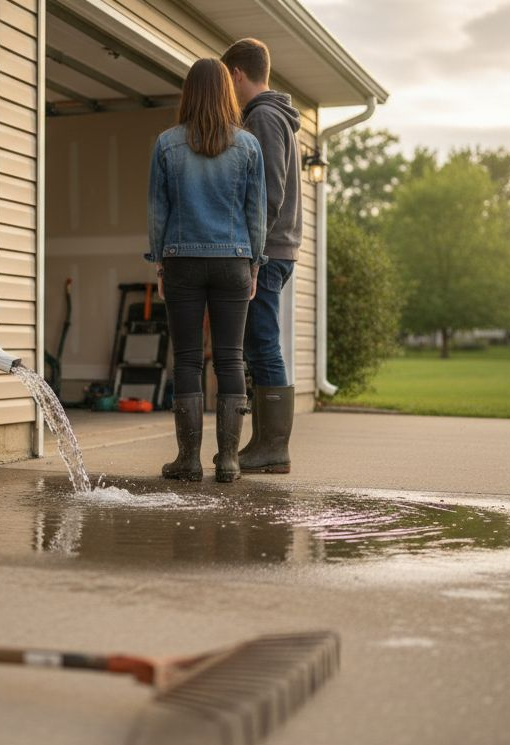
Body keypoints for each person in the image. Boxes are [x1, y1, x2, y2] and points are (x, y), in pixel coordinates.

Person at [147, 58, 267, 483]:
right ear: (226, 92)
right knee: (231, 357)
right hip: (233, 259)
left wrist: (159, 261)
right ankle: (230, 460)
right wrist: (254, 263)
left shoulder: (166, 144)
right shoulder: (248, 146)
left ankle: (188, 460)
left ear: (189, 93)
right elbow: (256, 214)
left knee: (187, 360)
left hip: (181, 260)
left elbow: (158, 211)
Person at [221, 38, 301, 474]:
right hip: (273, 247)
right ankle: (267, 445)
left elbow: (268, 193)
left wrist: (252, 255)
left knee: (263, 343)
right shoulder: (272, 116)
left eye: (226, 81)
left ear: (235, 74)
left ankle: (273, 447)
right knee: (258, 343)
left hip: (267, 250)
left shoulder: (265, 118)